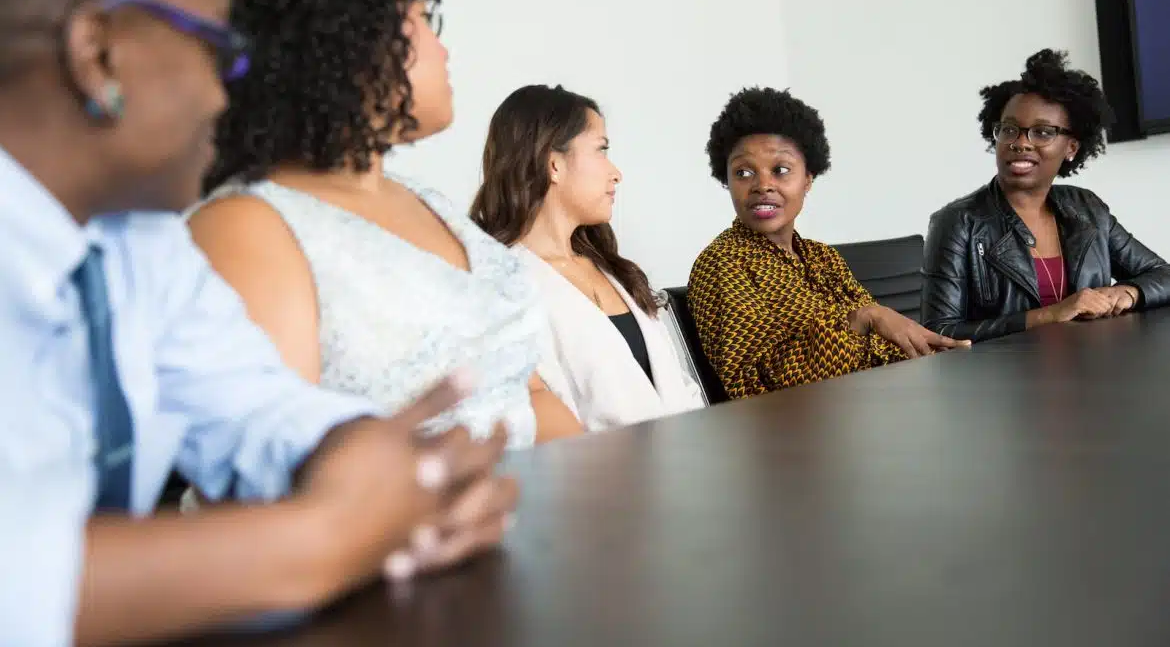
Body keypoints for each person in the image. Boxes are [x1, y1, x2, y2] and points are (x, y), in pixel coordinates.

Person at [0, 0, 514, 647]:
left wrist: (391, 472)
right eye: (217, 45)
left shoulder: (139, 246)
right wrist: (327, 537)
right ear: (97, 55)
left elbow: (262, 411)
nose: (227, 91)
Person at [187, 0, 581, 448]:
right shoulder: (246, 227)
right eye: (421, 14)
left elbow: (527, 392)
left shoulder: (431, 204)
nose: (442, 47)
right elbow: (273, 482)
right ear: (343, 35)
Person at [688, 87, 967, 400]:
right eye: (743, 172)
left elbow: (881, 343)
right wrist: (861, 320)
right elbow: (754, 386)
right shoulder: (722, 264)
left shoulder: (822, 257)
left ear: (808, 178)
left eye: (781, 170)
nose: (762, 185)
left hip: (868, 407)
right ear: (726, 181)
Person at [470, 85, 705, 429]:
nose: (616, 173)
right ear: (553, 164)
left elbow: (683, 390)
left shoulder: (616, 271)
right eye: (601, 149)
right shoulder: (502, 287)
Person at [921, 49, 1170, 342]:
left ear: (1071, 148)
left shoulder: (1087, 210)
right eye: (1010, 130)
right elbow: (937, 333)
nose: (1021, 143)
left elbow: (1162, 274)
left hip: (1094, 369)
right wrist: (1049, 315)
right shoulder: (958, 222)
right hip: (1005, 381)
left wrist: (1128, 292)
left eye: (1042, 132)